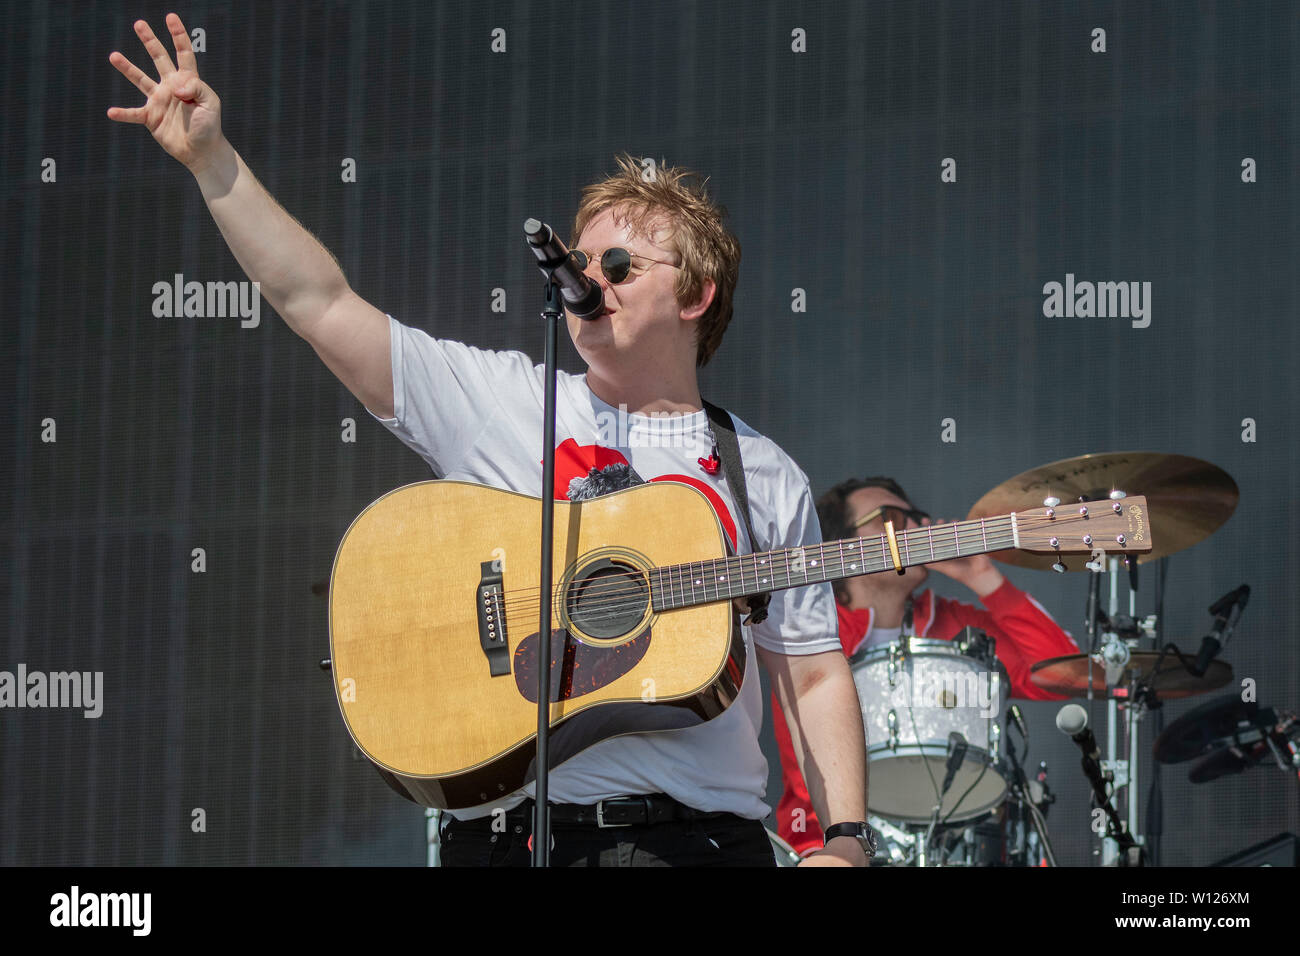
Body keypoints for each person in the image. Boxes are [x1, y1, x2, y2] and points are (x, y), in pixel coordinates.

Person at [108, 13, 871, 866]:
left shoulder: (759, 471)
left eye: (617, 267)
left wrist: (844, 840)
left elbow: (809, 667)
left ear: (695, 297)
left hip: (696, 843)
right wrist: (215, 162)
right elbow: (318, 303)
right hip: (509, 838)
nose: (590, 282)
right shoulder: (505, 398)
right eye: (580, 266)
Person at [771, 476, 1080, 857]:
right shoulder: (809, 632)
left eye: (918, 518)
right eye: (892, 518)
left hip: (952, 848)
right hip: (824, 847)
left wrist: (983, 577)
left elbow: (1065, 676)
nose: (917, 528)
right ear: (843, 547)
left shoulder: (956, 624)